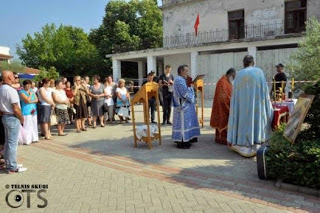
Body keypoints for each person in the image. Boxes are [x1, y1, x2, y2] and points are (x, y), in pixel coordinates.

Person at [227, 55, 273, 157]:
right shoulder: (258, 72)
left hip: (242, 107)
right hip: (256, 105)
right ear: (253, 62)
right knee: (256, 119)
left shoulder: (239, 74)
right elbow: (264, 91)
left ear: (244, 63)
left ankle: (241, 142)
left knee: (243, 121)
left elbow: (235, 94)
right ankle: (256, 140)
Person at [0, 70, 27, 173]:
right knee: (12, 143)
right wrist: (21, 118)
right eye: (13, 76)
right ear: (9, 78)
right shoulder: (10, 90)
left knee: (8, 142)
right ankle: (12, 166)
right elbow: (15, 108)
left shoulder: (1, 89)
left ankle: (9, 163)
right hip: (12, 117)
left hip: (5, 117)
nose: (15, 77)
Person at [172, 65, 200, 149]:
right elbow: (184, 93)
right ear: (181, 71)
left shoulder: (182, 79)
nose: (187, 73)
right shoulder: (179, 80)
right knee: (183, 124)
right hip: (182, 106)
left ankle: (188, 139)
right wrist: (192, 94)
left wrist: (190, 86)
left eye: (188, 71)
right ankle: (183, 142)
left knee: (188, 123)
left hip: (186, 106)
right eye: (186, 71)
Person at [210, 68, 236, 145]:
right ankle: (222, 139)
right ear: (230, 75)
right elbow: (223, 97)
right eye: (233, 77)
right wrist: (231, 102)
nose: (234, 79)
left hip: (226, 104)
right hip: (221, 107)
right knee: (223, 121)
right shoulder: (222, 82)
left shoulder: (227, 81)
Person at [19, 80, 39, 144]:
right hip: (26, 111)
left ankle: (34, 138)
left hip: (33, 110)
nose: (29, 86)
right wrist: (30, 95)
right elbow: (26, 100)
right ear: (24, 85)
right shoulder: (21, 92)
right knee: (27, 125)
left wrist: (31, 101)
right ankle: (27, 140)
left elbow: (36, 100)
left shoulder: (32, 91)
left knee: (34, 124)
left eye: (30, 84)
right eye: (27, 84)